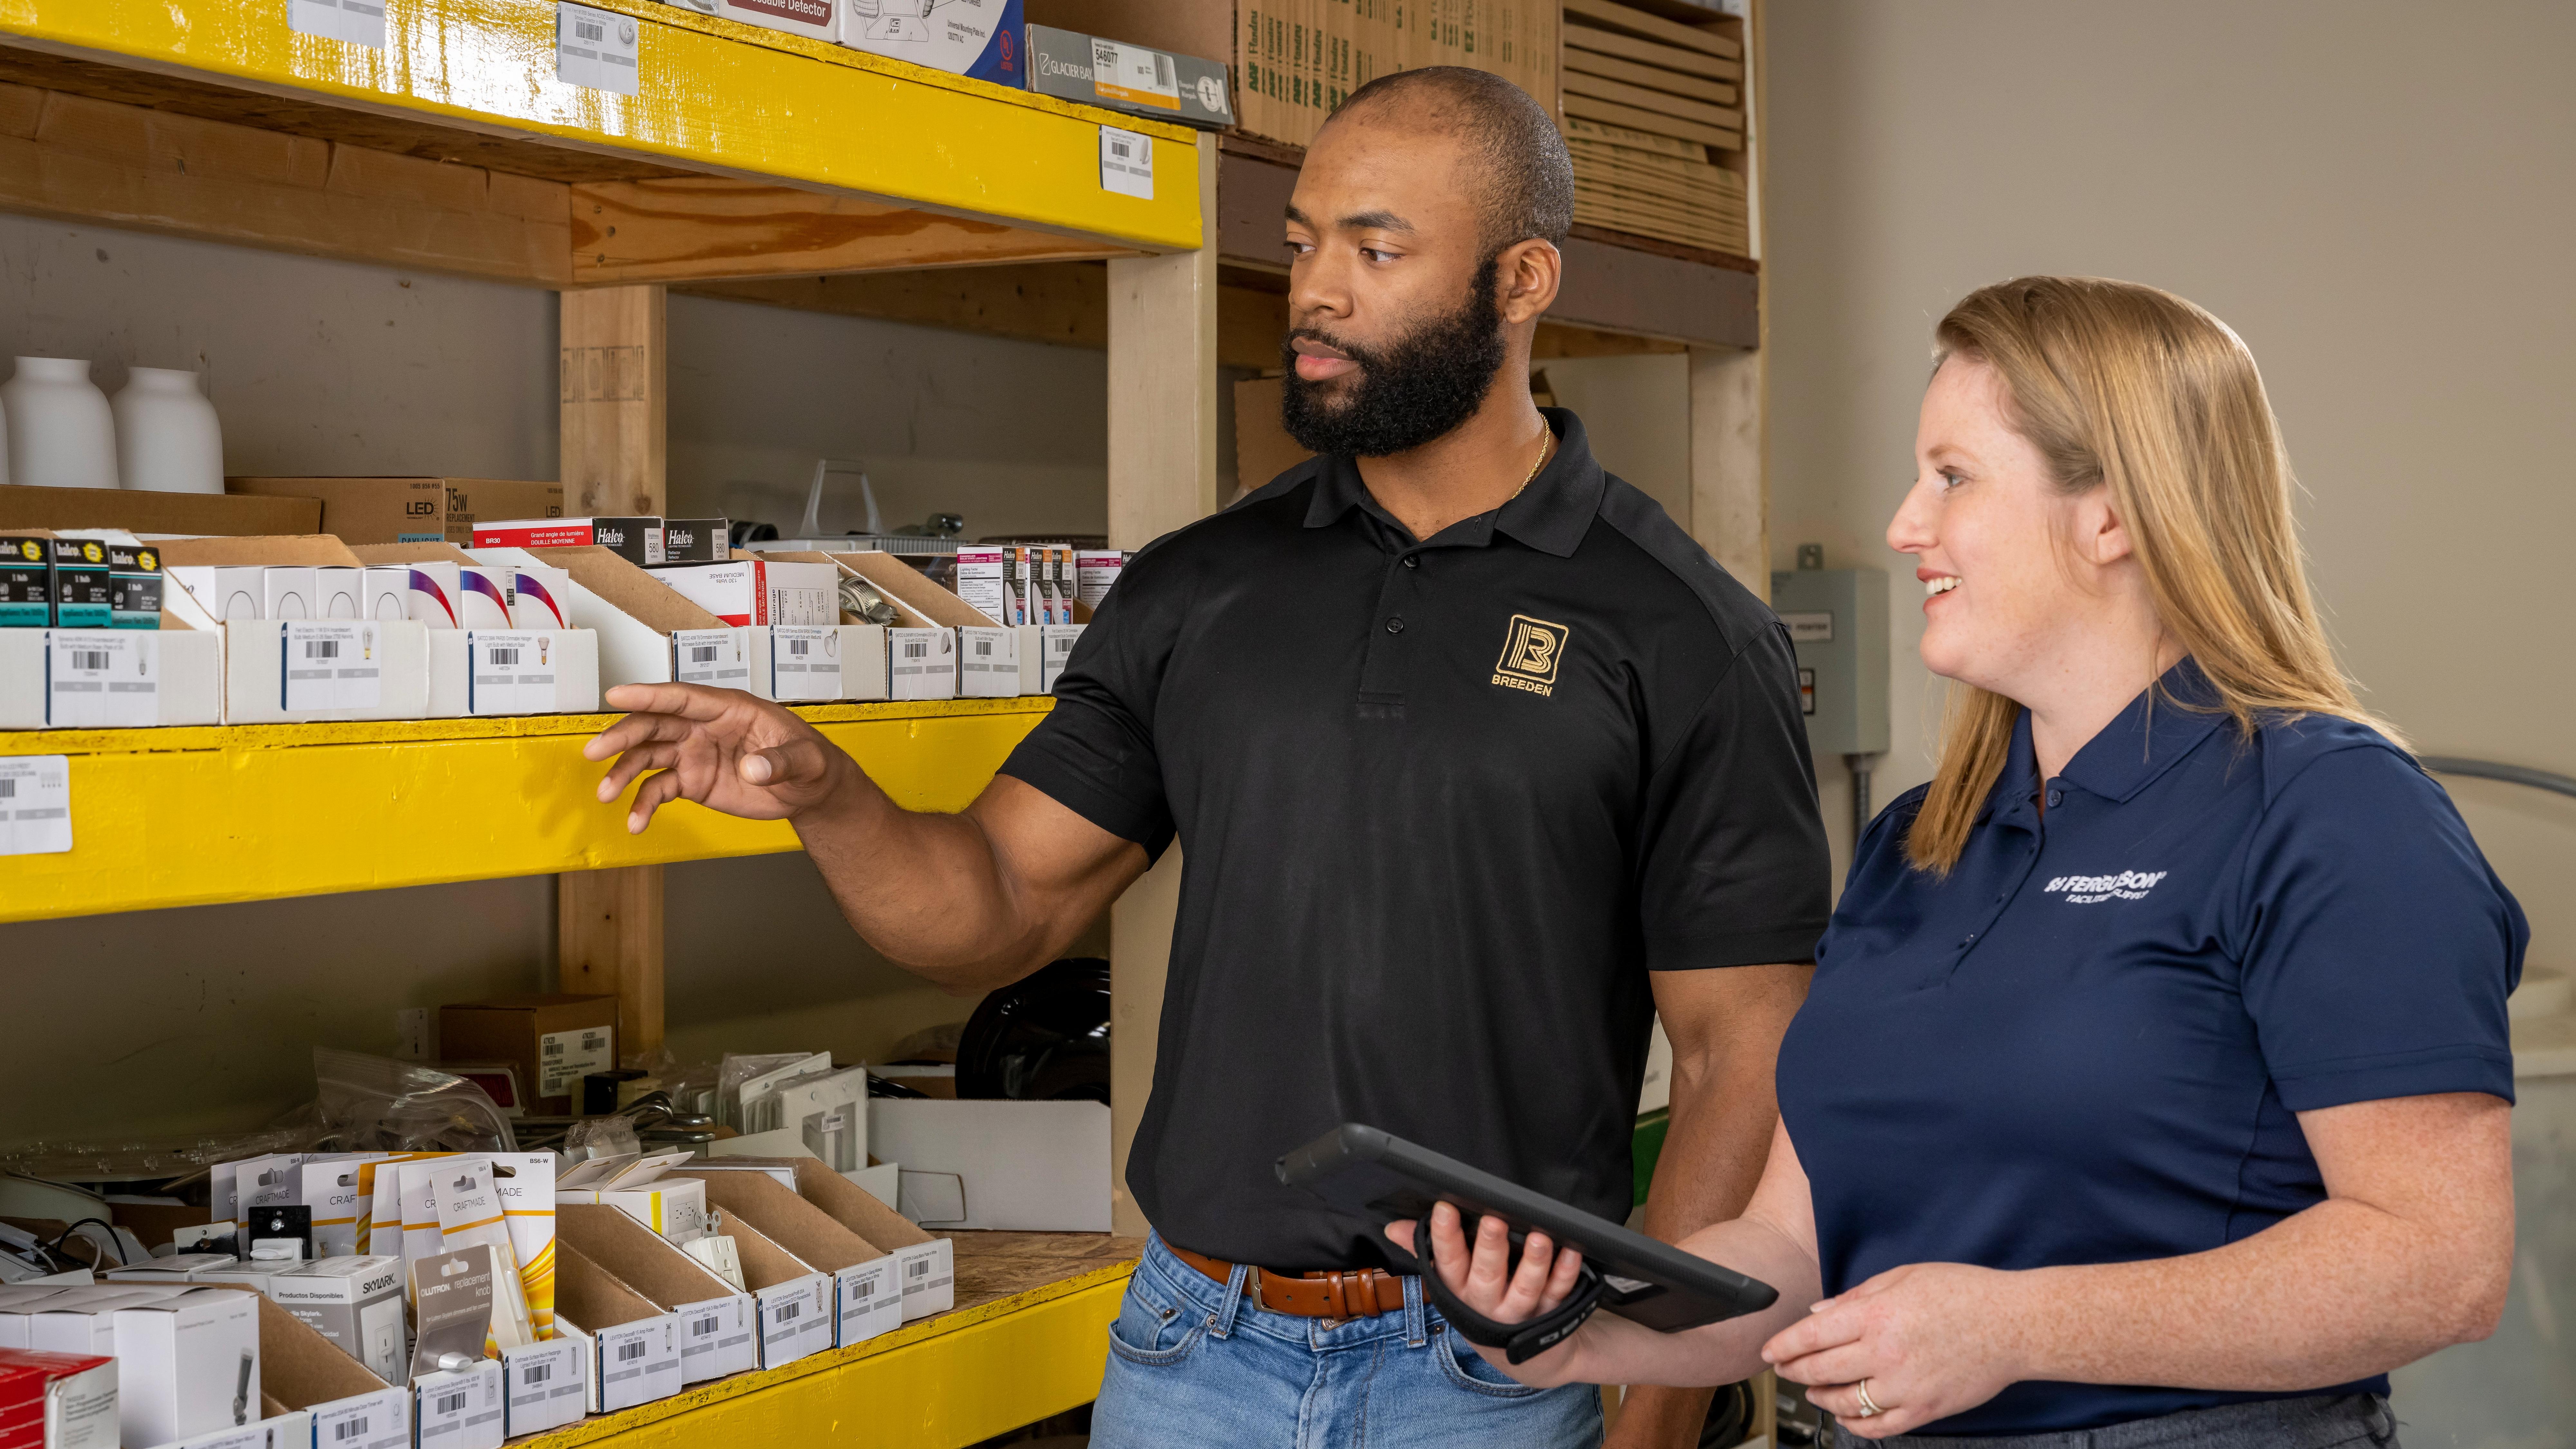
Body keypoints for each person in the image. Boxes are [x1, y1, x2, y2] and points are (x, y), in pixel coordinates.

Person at [580, 67, 1832, 1449]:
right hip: (1193, 1354)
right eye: (1299, 244)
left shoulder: (1679, 629)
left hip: (1492, 1373)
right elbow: (991, 907)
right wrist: (825, 794)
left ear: (1520, 279)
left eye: (1376, 248)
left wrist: (1647, 1416)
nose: (1315, 291)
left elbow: (1740, 1055)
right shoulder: (1200, 587)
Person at [1402, 275, 2524, 1446]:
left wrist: (2017, 1329)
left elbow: (2436, 1263)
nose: (1904, 525)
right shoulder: (1922, 839)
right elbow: (1792, 1248)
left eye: (1953, 475)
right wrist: (1585, 1323)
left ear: (2112, 515)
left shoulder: (2331, 810)